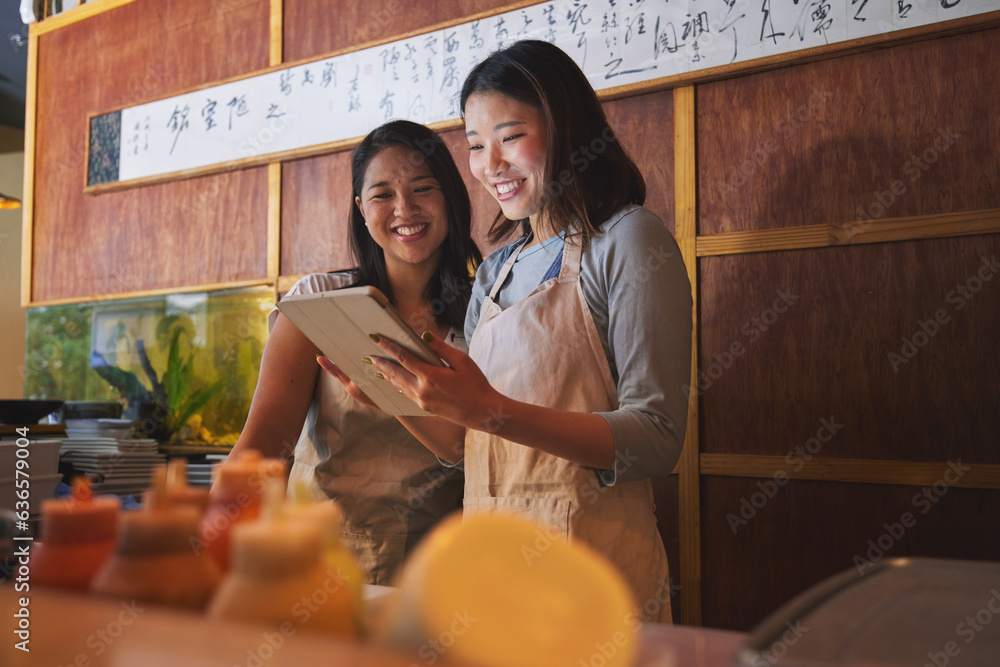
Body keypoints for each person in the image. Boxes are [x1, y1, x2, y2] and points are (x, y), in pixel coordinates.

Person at [324, 40, 692, 622]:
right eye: (474, 145)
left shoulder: (628, 241)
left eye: (510, 136)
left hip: (592, 579)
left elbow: (656, 438)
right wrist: (393, 397)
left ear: (566, 127)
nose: (489, 164)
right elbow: (468, 448)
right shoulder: (495, 272)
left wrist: (490, 407)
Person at [228, 120, 482, 584]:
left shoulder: (487, 314)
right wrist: (217, 530)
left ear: (451, 197)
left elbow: (483, 450)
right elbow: (263, 444)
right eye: (383, 194)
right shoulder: (320, 303)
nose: (405, 208)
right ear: (362, 209)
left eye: (423, 188)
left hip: (436, 573)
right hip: (316, 562)